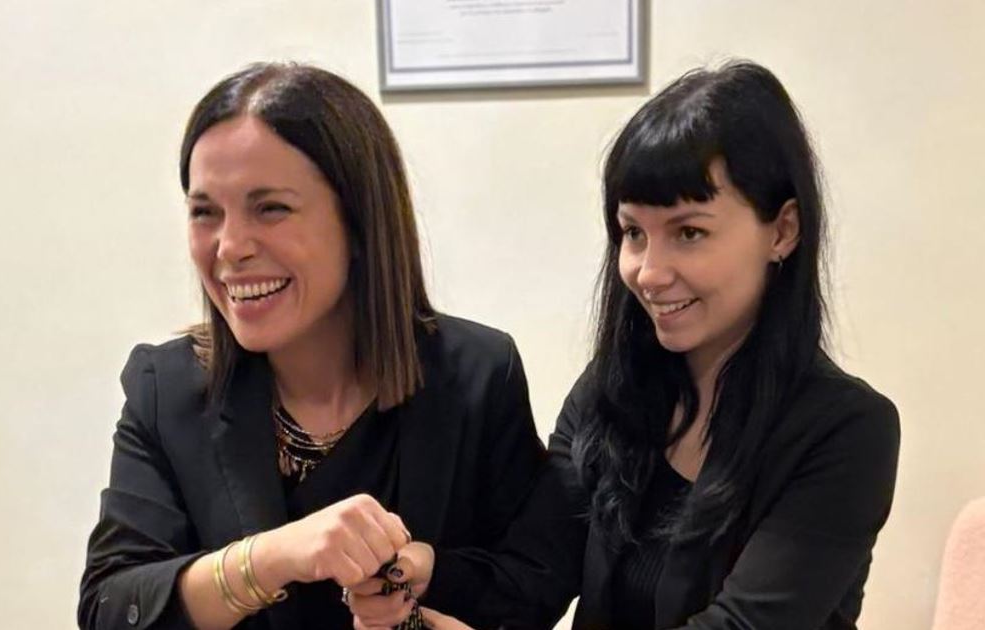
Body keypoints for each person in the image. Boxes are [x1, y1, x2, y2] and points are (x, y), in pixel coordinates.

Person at [349, 60, 901, 630]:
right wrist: (427, 571)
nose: (648, 272)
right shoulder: (610, 390)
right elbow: (534, 572)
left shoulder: (847, 430)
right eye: (634, 232)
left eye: (690, 232)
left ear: (782, 231)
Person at [78, 62, 544, 630]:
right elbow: (110, 606)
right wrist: (272, 557)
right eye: (205, 213)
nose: (230, 247)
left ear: (360, 221)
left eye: (270, 208)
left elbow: (528, 586)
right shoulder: (165, 389)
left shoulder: (477, 375)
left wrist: (427, 576)